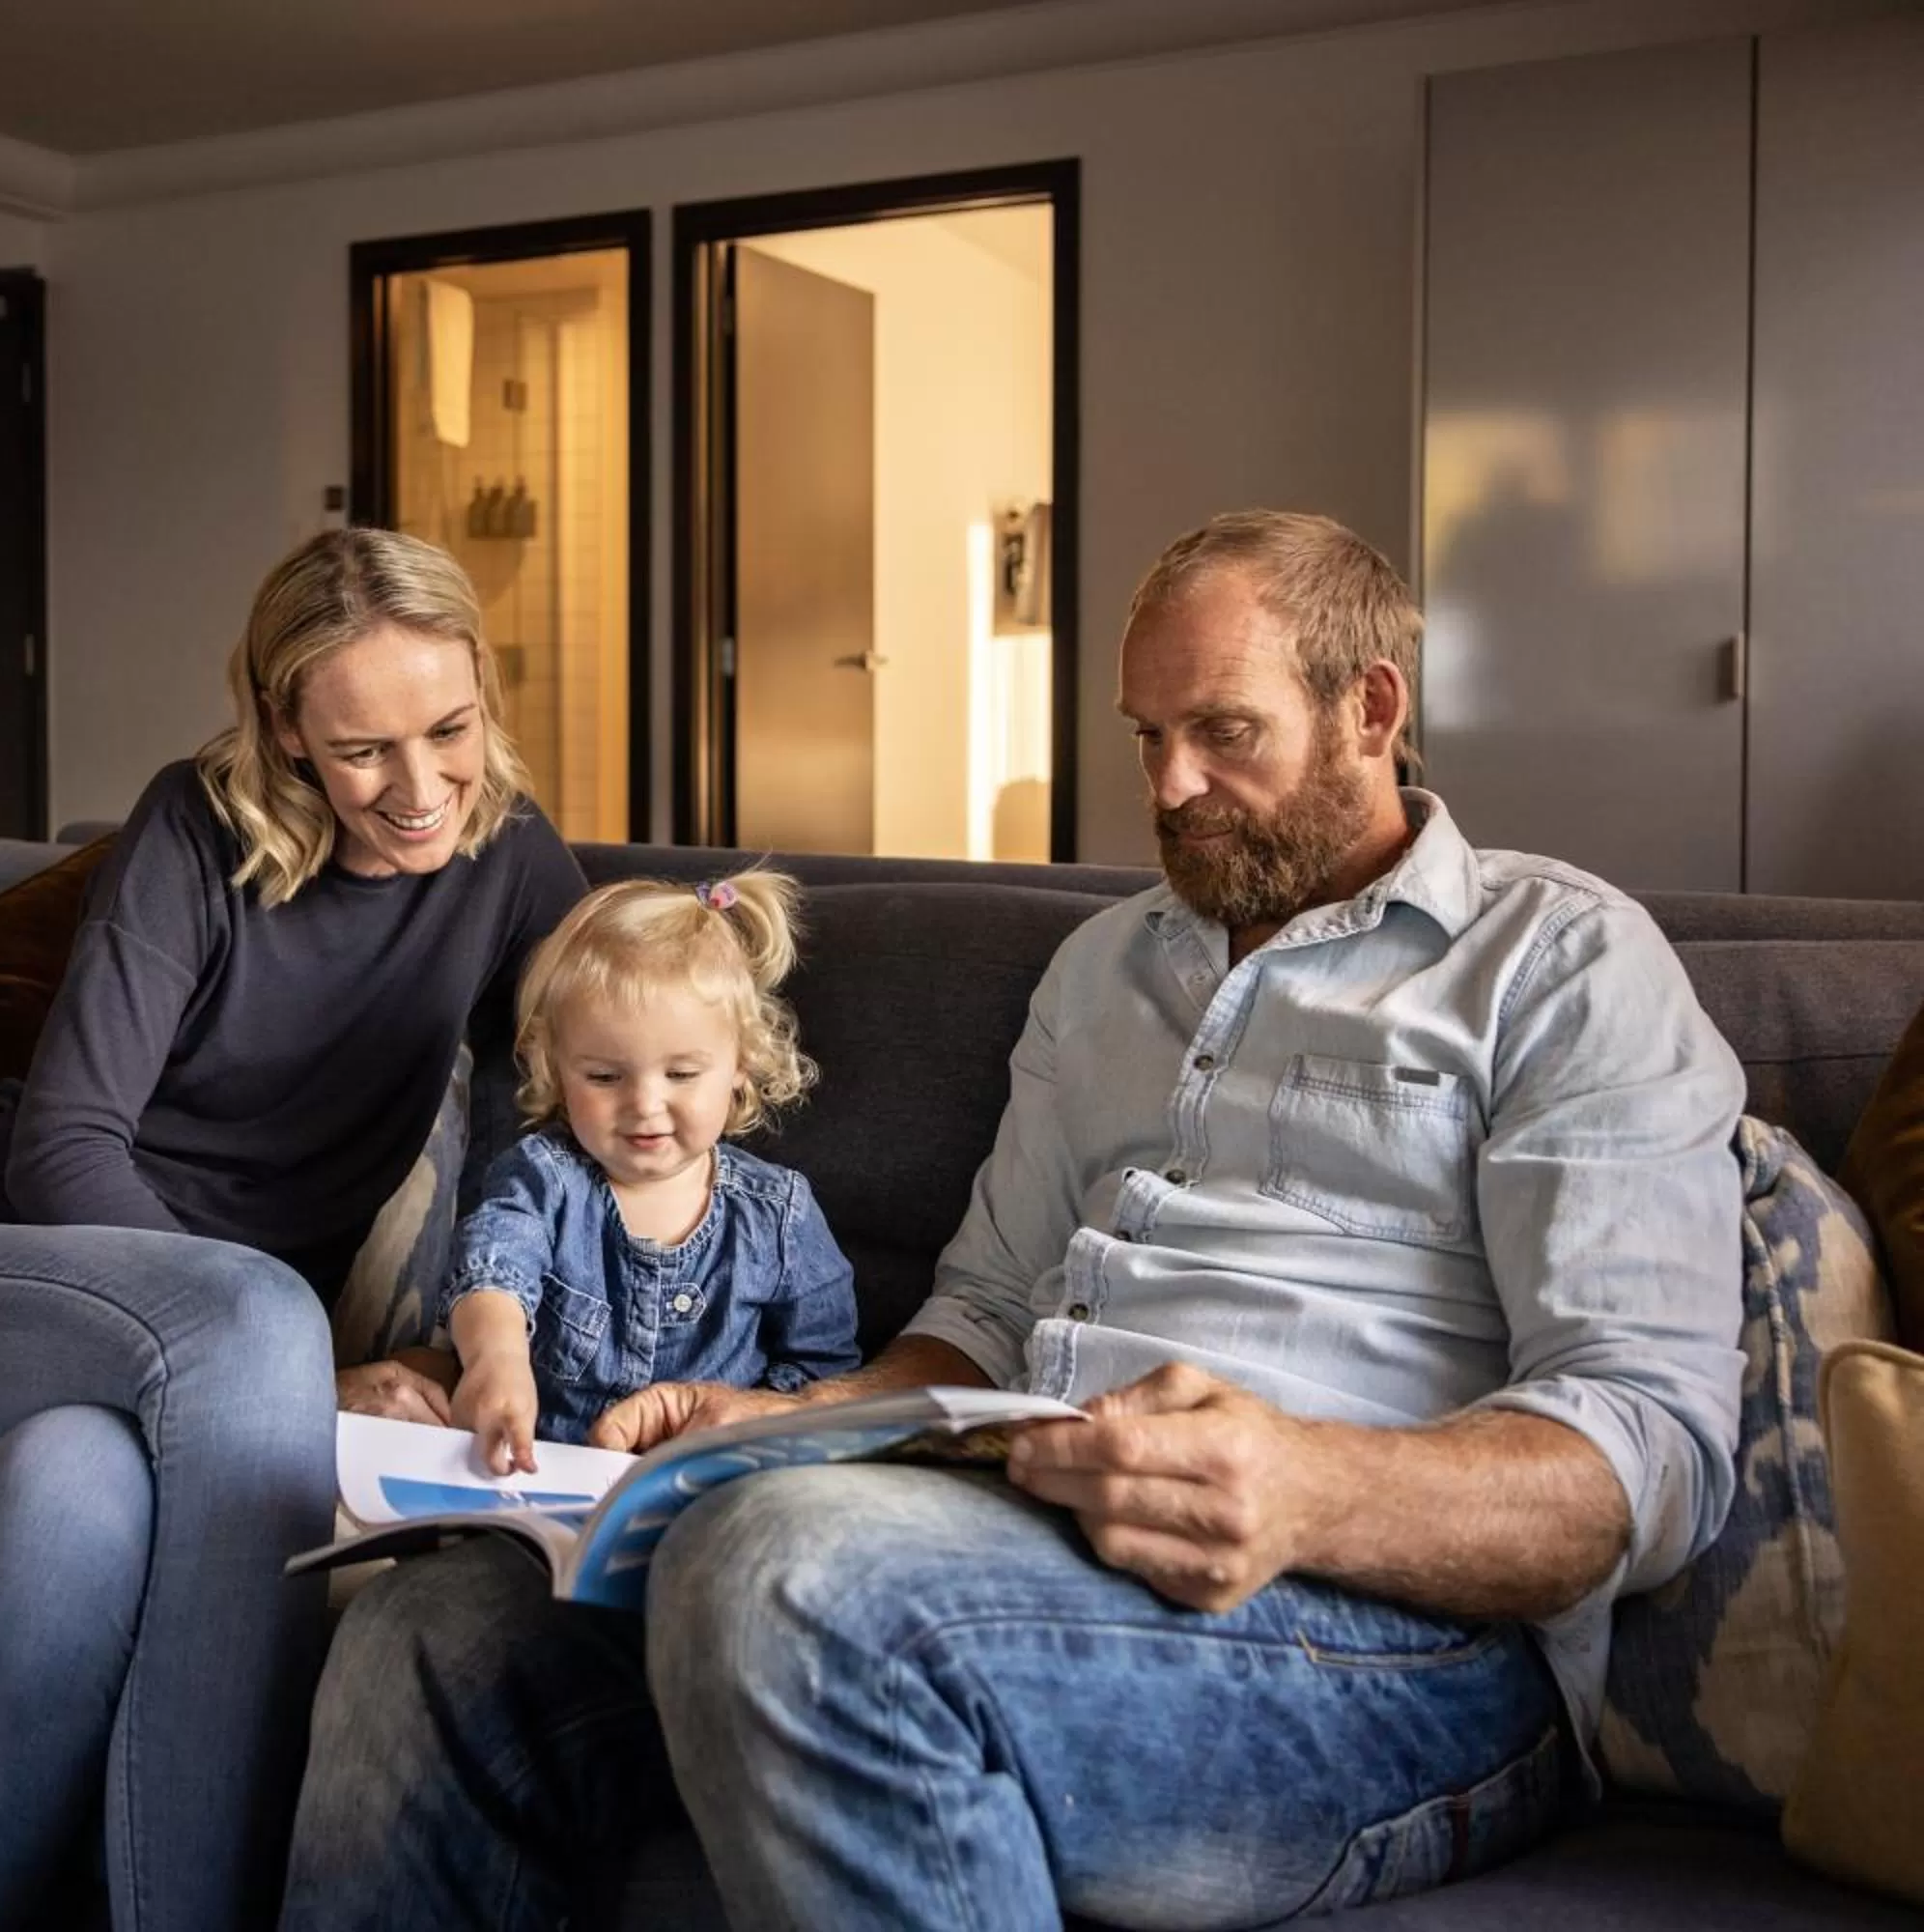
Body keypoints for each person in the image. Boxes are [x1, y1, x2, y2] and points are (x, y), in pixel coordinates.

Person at [282, 510, 1746, 1930]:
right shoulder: (1104, 970)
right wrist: (790, 1419)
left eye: (1221, 733)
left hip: (1392, 1644)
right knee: (444, 1633)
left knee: (786, 1571)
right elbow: (977, 1314)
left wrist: (1311, 1486)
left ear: (1369, 707)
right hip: (1010, 1538)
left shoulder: (1557, 961)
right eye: (1143, 737)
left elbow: (1651, 1447)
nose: (1167, 789)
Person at [0, 526, 587, 1932]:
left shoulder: (511, 862)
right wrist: (280, 1384)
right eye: (359, 753)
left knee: (70, 1501)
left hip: (133, 1411)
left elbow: (590, 1117)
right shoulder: (192, 828)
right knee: (260, 1317)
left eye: (449, 729)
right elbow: (68, 1143)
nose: (417, 791)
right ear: (283, 731)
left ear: (484, 690)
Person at [444, 870, 861, 1474]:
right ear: (555, 1069)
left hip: (713, 1491)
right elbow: (493, 1269)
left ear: (741, 1064)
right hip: (542, 1478)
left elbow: (825, 1367)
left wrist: (758, 1429)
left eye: (683, 1074)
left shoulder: (779, 1214)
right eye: (605, 1078)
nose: (644, 1104)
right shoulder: (543, 1179)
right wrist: (496, 1359)